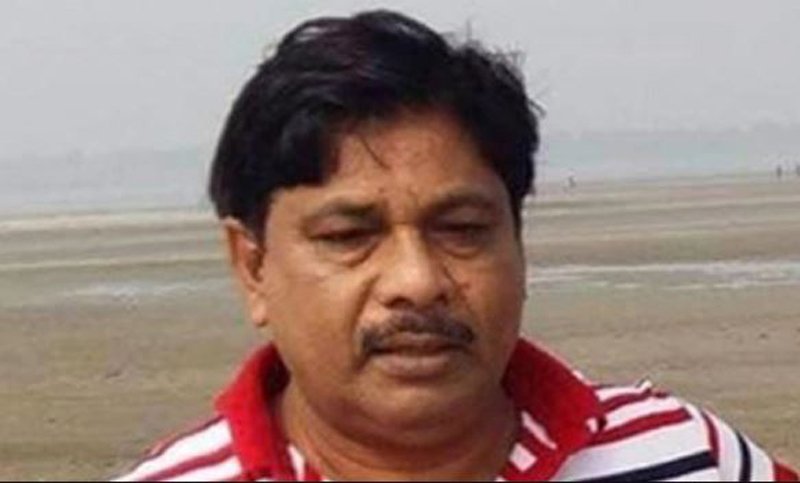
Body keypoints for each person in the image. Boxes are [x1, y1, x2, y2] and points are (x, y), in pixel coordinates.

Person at [114, 10, 797, 481]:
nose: (416, 280)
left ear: (519, 245)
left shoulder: (686, 455)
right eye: (349, 236)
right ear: (254, 267)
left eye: (463, 229)